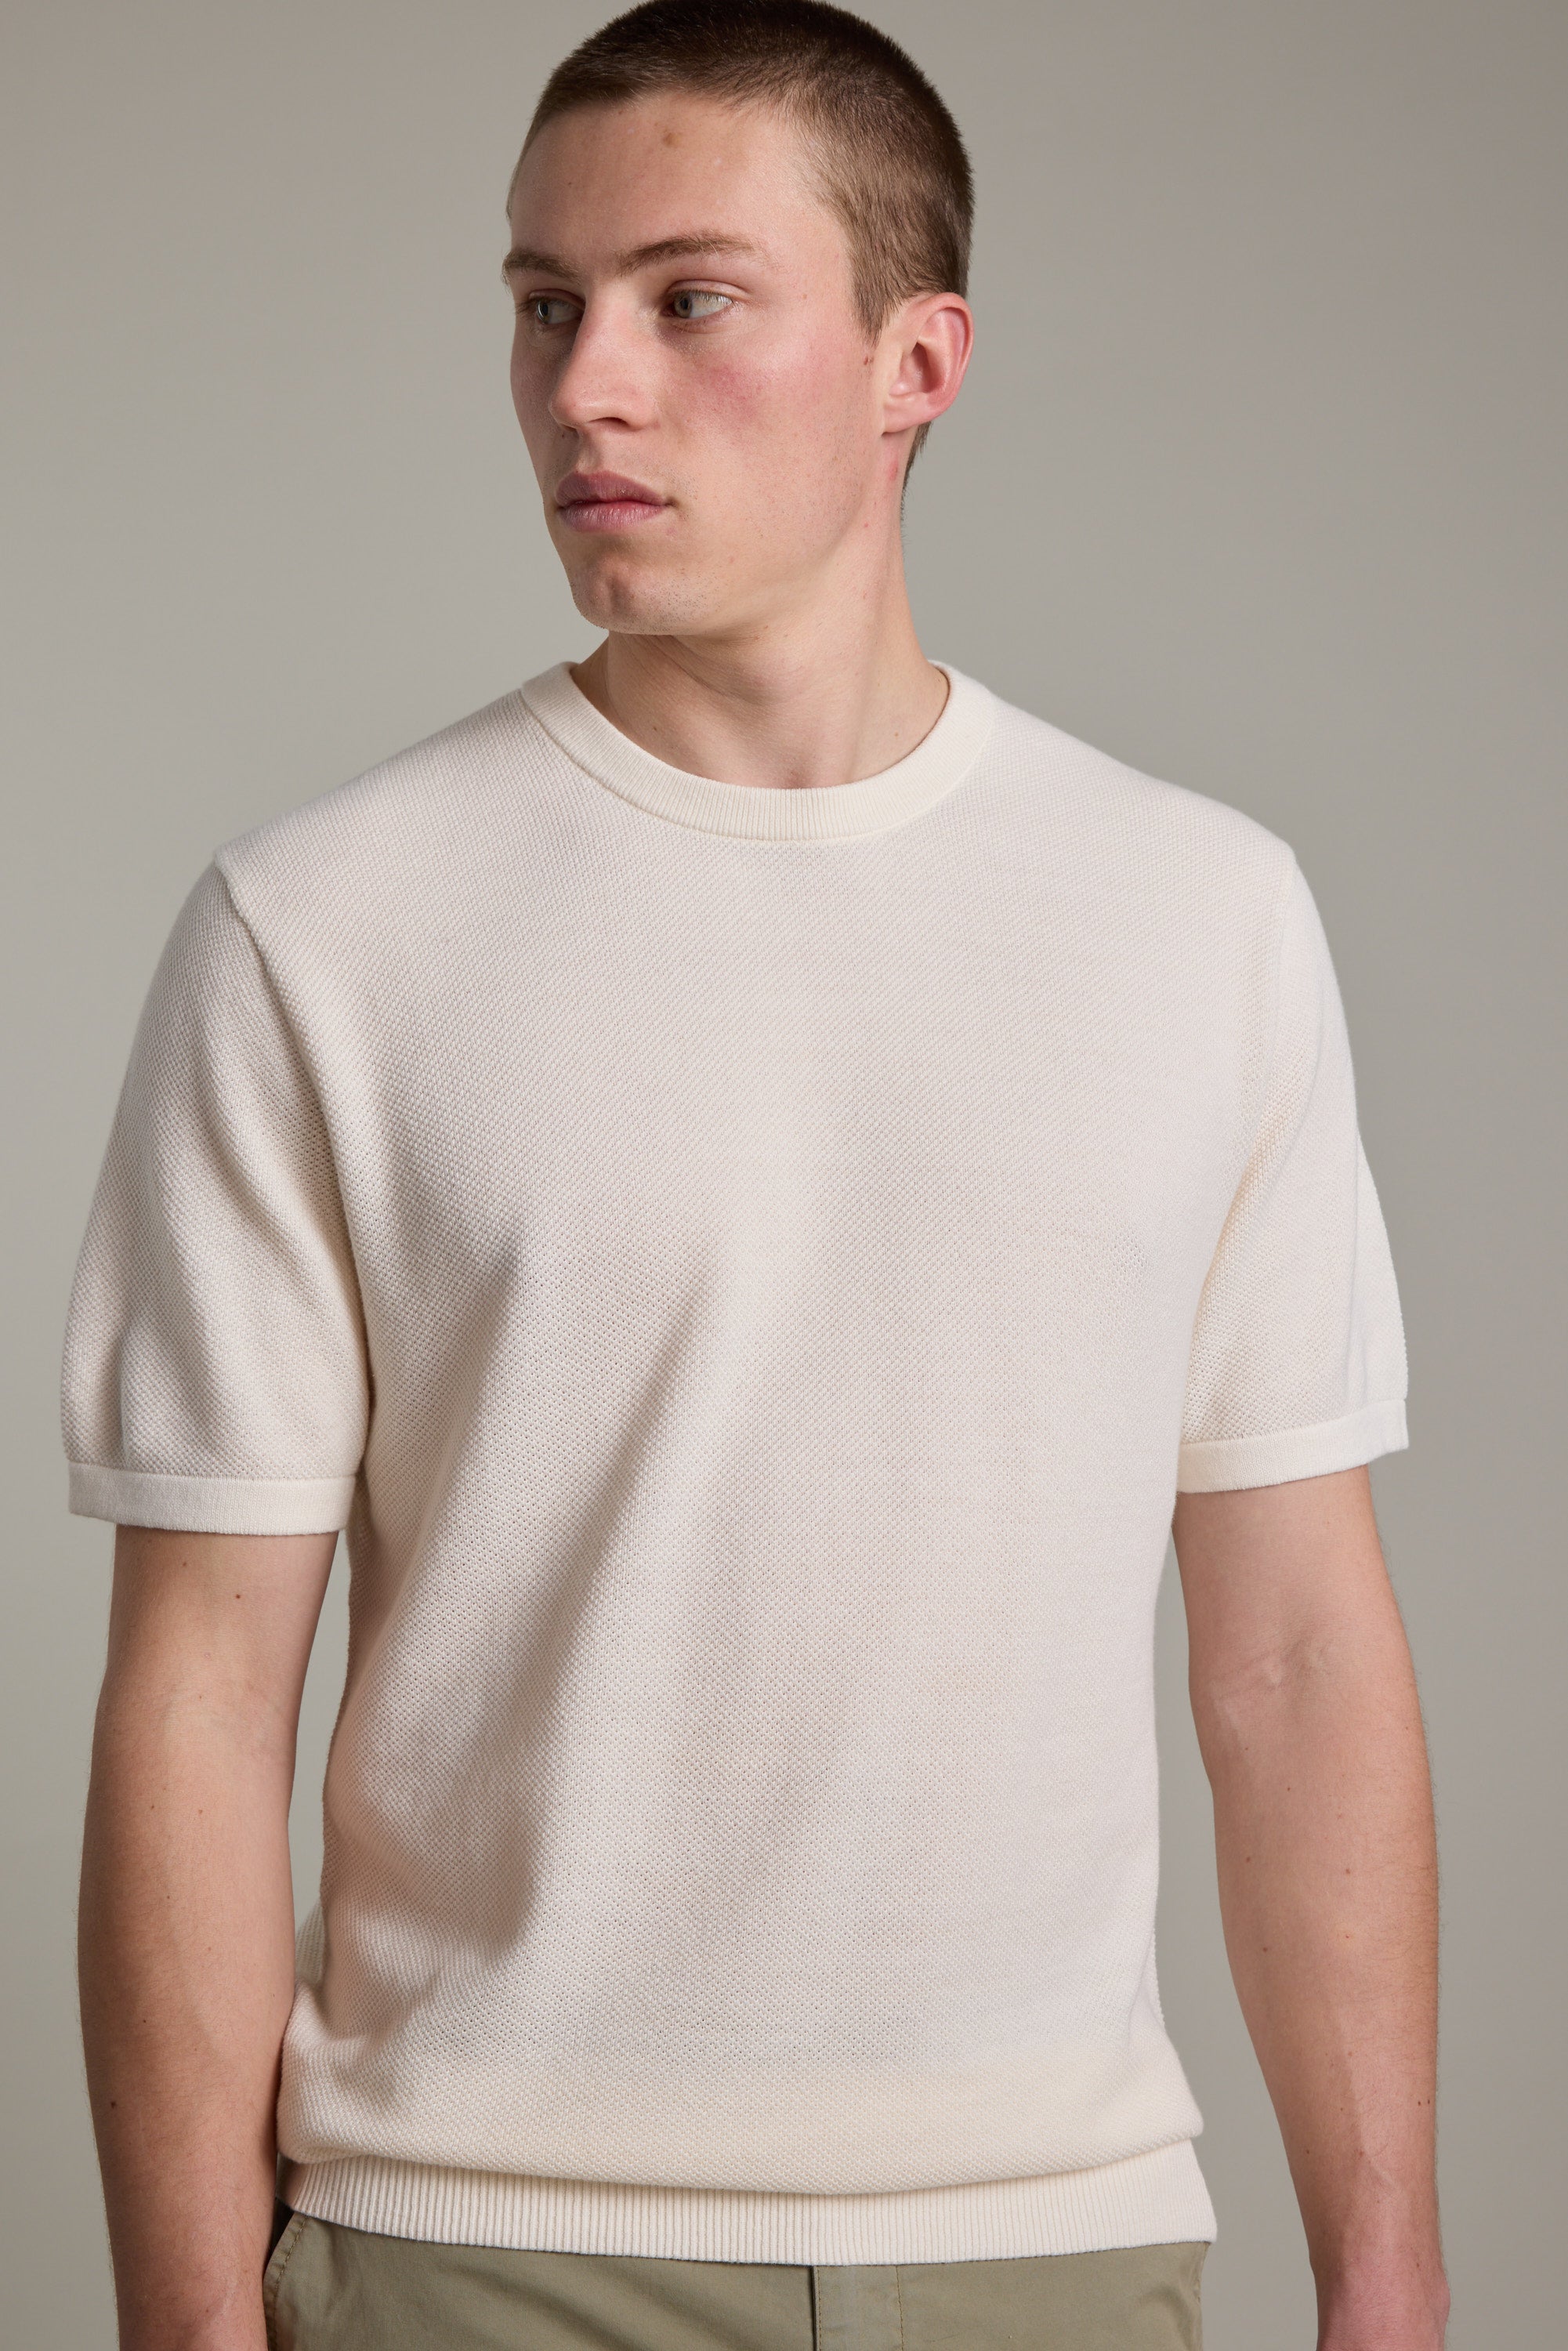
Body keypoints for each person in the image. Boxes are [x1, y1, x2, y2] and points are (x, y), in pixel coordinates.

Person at [63, 4, 1450, 2346]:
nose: (587, 383)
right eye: (542, 306)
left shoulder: (1197, 915)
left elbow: (1294, 1656)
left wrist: (1386, 2276)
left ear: (919, 359)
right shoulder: (323, 928)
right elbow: (200, 1700)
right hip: (468, 2245)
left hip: (1053, 2247)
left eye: (687, 300)